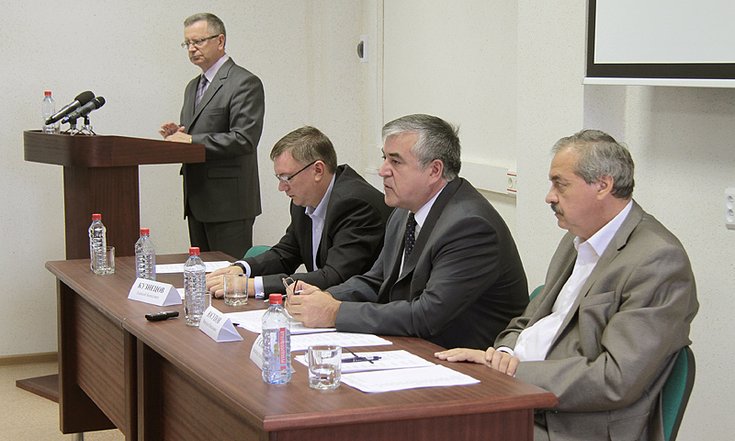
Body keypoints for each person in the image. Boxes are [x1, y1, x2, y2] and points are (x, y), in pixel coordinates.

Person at [435, 130, 699, 441]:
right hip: (522, 397)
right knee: (425, 412)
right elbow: (527, 321)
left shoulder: (657, 260)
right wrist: (503, 353)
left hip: (576, 424)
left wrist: (512, 371)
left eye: (560, 184)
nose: (550, 196)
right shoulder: (577, 237)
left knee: (437, 430)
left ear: (603, 185)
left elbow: (615, 378)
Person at [286, 114, 529, 350]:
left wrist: (335, 312)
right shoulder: (405, 211)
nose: (382, 170)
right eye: (384, 158)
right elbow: (378, 281)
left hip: (468, 362)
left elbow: (427, 315)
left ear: (434, 170)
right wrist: (323, 297)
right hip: (417, 347)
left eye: (396, 161)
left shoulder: (470, 226)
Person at [206, 126, 392, 299]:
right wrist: (241, 269)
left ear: (318, 170)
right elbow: (286, 253)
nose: (281, 187)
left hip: (361, 309)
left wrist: (253, 285)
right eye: (279, 178)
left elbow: (335, 276)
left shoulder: (356, 204)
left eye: (287, 177)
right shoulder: (303, 201)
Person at [160, 12, 265, 259]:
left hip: (229, 204)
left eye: (198, 41)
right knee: (202, 274)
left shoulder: (244, 82)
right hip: (196, 200)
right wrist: (179, 135)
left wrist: (192, 140)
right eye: (187, 43)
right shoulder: (192, 87)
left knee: (228, 276)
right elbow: (198, 133)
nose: (191, 49)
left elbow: (244, 139)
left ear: (220, 41)